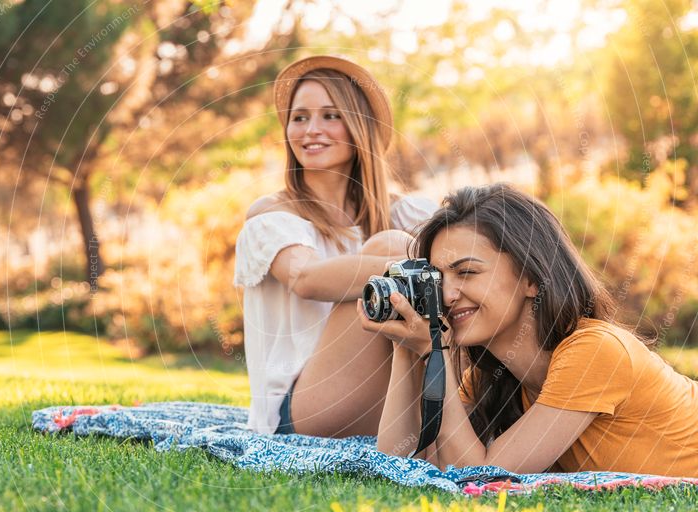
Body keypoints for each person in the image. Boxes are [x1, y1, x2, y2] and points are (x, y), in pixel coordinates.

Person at [358, 183, 698, 477]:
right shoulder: (495, 375)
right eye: (439, 278)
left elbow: (483, 478)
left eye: (467, 273)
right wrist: (404, 348)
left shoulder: (596, 350)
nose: (447, 295)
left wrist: (434, 353)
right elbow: (400, 464)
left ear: (532, 279)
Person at [234, 55, 437, 437]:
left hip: (391, 398)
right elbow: (305, 278)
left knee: (399, 245)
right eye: (299, 117)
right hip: (302, 413)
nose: (311, 129)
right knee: (396, 248)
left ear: (360, 127)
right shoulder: (271, 215)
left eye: (331, 115)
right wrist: (420, 266)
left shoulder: (404, 211)